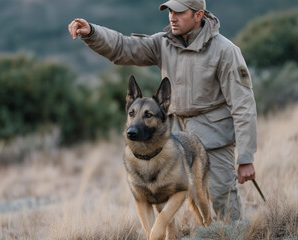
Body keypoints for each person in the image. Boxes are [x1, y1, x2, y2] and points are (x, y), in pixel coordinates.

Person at [68, 0, 257, 221]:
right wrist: (92, 32)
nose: (172, 17)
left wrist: (245, 158)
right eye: (169, 11)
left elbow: (244, 106)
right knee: (179, 200)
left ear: (199, 15)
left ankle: (234, 234)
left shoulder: (226, 51)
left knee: (221, 195)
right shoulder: (162, 43)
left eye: (179, 12)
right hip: (174, 136)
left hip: (214, 136)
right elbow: (122, 48)